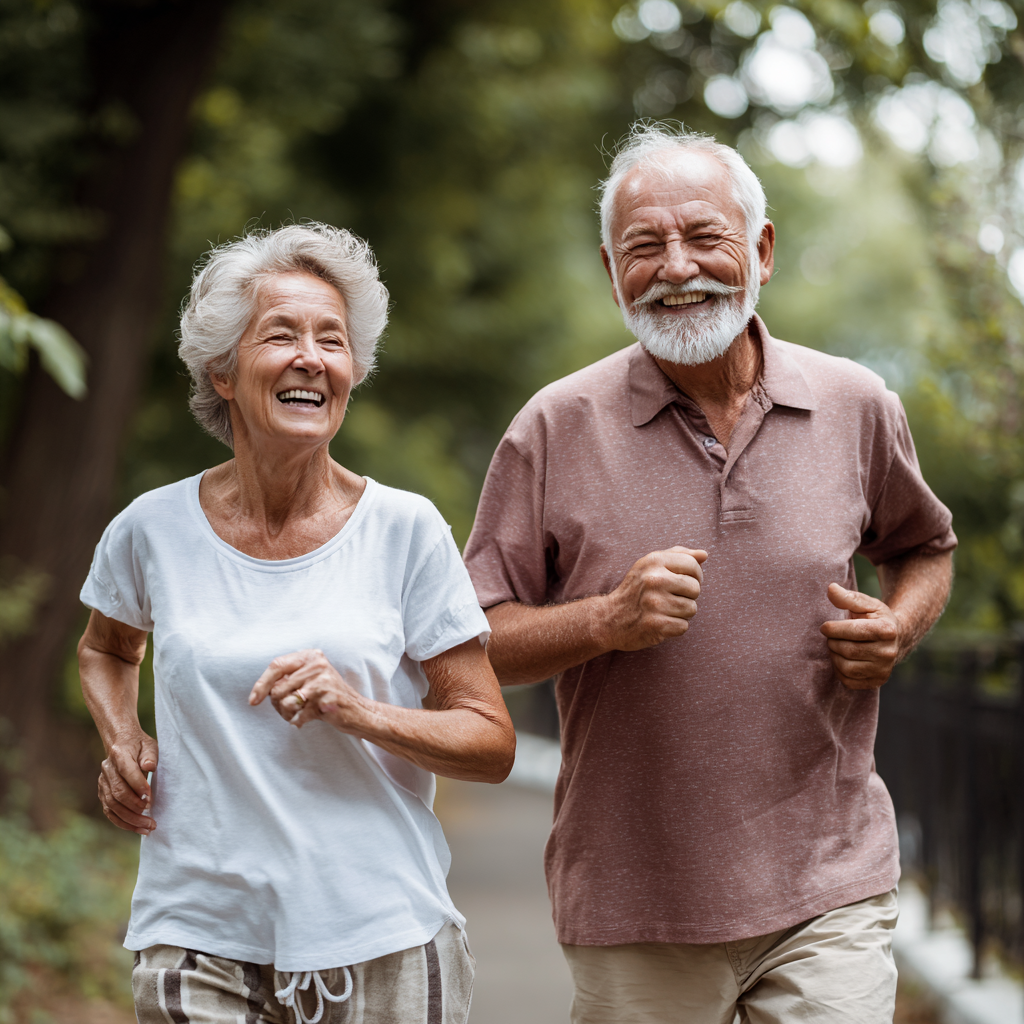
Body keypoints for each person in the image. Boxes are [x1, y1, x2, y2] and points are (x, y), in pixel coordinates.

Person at [463, 124, 955, 1024]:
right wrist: (605, 619)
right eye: (643, 247)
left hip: (829, 882)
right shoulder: (554, 427)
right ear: (613, 272)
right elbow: (475, 642)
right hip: (633, 897)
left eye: (704, 237)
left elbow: (923, 546)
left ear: (760, 251)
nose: (676, 267)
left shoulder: (855, 404)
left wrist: (899, 627)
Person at [77, 223, 515, 1024]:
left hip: (380, 935)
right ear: (223, 370)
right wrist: (122, 738)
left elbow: (489, 742)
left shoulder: (405, 530)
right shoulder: (151, 529)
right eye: (282, 335)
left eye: (333, 340)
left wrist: (358, 709)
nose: (313, 357)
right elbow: (107, 648)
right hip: (197, 930)